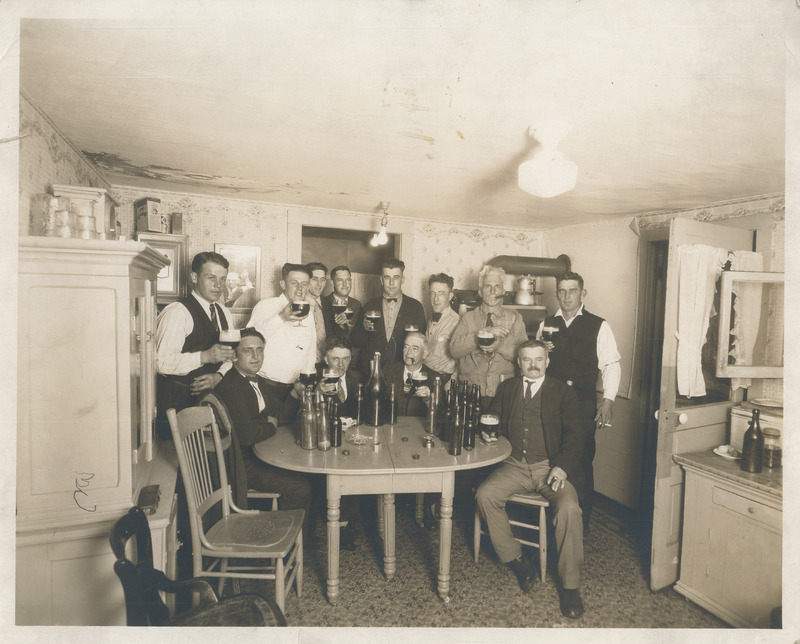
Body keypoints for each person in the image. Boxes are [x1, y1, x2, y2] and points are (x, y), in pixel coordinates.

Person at [476, 340, 586, 619]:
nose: (533, 364)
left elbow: (576, 438)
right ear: (519, 363)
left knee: (569, 509)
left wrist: (561, 467)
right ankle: (516, 558)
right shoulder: (508, 388)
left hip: (550, 467)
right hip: (514, 464)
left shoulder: (563, 392)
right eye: (527, 360)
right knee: (485, 495)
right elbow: (493, 419)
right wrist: (488, 432)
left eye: (539, 359)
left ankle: (570, 585)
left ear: (547, 361)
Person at [537, 271, 620, 528]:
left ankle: (579, 526)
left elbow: (611, 364)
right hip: (551, 402)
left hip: (582, 404)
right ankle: (553, 520)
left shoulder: (599, 325)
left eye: (572, 291)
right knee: (551, 457)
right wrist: (543, 351)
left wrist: (608, 400)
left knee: (581, 461)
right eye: (561, 291)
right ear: (556, 294)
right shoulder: (547, 324)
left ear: (582, 293)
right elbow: (536, 364)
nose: (566, 296)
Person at [214, 328, 314, 537]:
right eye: (248, 351)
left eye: (260, 350)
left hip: (258, 453)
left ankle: (300, 536)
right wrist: (270, 425)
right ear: (234, 355)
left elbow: (277, 413)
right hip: (242, 464)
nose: (256, 356)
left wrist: (295, 394)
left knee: (306, 475)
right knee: (300, 486)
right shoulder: (231, 386)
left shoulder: (256, 380)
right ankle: (287, 543)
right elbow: (247, 434)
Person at [155, 251, 234, 439]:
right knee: (183, 463)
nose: (218, 286)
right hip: (178, 405)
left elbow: (230, 357)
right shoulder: (177, 313)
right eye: (211, 278)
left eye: (223, 279)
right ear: (194, 277)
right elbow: (161, 363)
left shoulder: (224, 312)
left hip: (209, 402)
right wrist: (204, 356)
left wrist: (218, 375)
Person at [449, 264, 528, 406]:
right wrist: (480, 334)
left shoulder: (515, 318)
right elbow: (454, 350)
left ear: (503, 291)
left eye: (497, 286)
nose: (492, 291)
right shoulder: (468, 318)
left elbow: (525, 357)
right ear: (480, 292)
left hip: (504, 395)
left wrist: (500, 347)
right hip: (470, 394)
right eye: (487, 286)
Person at [315, 335, 364, 549]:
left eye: (346, 359)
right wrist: (317, 392)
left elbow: (366, 410)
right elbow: (300, 412)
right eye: (336, 359)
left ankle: (345, 523)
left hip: (352, 438)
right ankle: (336, 521)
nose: (341, 364)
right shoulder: (317, 379)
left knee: (357, 467)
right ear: (326, 359)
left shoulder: (357, 377)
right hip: (324, 439)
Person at [246, 263, 316, 402]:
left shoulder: (308, 313)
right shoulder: (266, 305)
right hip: (265, 386)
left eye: (304, 284)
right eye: (294, 283)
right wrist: (282, 317)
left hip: (295, 391)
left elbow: (310, 351)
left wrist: (307, 381)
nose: (300, 288)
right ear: (283, 284)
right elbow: (249, 340)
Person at [351, 258, 426, 376]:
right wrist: (363, 328)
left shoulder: (415, 307)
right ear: (381, 280)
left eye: (396, 277)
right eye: (387, 278)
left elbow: (421, 344)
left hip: (399, 374)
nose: (391, 283)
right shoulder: (369, 305)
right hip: (370, 373)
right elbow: (356, 341)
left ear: (402, 279)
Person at [383, 332, 442, 417]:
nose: (408, 352)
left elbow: (439, 414)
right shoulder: (388, 371)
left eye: (415, 348)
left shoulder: (434, 378)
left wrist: (428, 400)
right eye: (406, 347)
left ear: (424, 354)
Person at [423, 273, 459, 378]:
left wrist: (452, 381)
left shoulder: (457, 322)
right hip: (427, 376)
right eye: (432, 293)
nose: (435, 299)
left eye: (441, 294)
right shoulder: (430, 319)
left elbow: (463, 359)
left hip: (443, 379)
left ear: (450, 296)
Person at [322, 265, 363, 343]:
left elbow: (360, 338)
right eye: (340, 280)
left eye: (348, 280)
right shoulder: (324, 303)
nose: (345, 284)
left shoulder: (357, 305)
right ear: (332, 282)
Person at [306, 262, 328, 367]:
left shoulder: (328, 304)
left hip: (325, 365)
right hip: (304, 366)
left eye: (323, 279)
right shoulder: (297, 304)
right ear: (307, 280)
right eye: (315, 279)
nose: (319, 284)